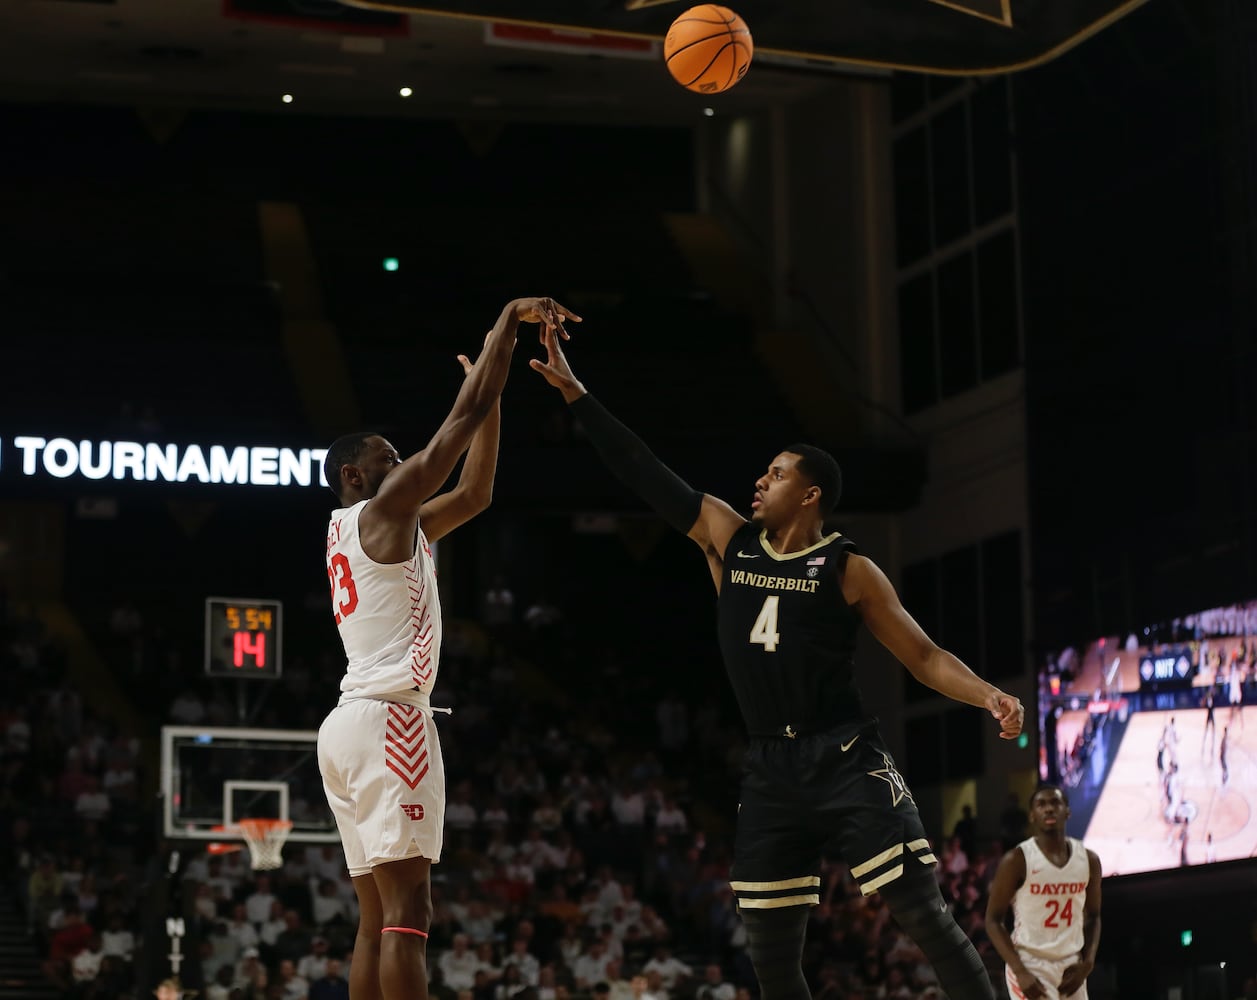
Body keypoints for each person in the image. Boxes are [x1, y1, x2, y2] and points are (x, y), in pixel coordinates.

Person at [529, 329, 1023, 1000]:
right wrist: (577, 394)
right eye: (763, 473)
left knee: (923, 915)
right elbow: (640, 468)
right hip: (770, 766)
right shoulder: (726, 538)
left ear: (811, 493)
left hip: (845, 755)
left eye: (777, 474)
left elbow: (924, 656)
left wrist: (986, 694)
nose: (760, 481)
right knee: (769, 954)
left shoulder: (848, 568)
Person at [318, 296, 578, 1000]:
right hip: (389, 718)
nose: (403, 467)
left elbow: (476, 492)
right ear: (354, 476)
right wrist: (504, 328)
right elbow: (449, 438)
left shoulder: (365, 532)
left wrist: (488, 399)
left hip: (347, 726)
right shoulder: (380, 512)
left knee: (375, 919)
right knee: (410, 915)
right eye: (389, 460)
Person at [985, 785, 1101, 1000]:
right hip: (1030, 963)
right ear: (1032, 816)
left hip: (1071, 963)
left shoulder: (1089, 860)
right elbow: (992, 920)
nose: (1048, 809)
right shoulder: (1017, 860)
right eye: (1041, 804)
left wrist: (1087, 963)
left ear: (1067, 811)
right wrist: (1019, 970)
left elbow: (1094, 916)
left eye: (1055, 803)